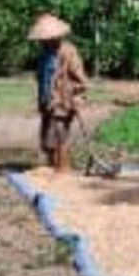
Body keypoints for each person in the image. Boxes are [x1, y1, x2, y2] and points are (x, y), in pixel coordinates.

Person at [29, 13, 87, 172]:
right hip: (47, 104)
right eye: (42, 39)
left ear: (56, 36)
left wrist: (77, 96)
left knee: (60, 138)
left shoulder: (68, 52)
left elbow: (80, 79)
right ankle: (52, 167)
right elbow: (43, 79)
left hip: (62, 104)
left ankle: (62, 171)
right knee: (47, 141)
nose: (43, 41)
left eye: (46, 38)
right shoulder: (44, 55)